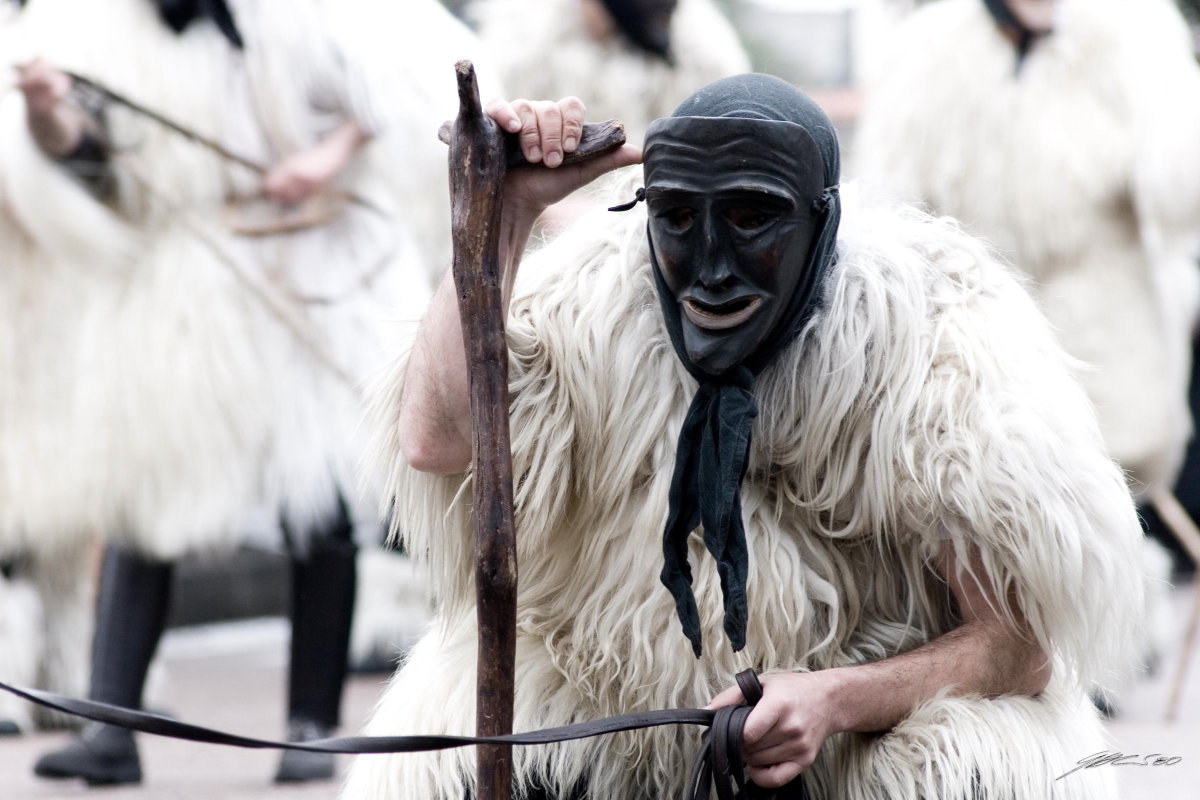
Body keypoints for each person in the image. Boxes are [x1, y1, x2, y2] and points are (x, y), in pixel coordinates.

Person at [341, 74, 1144, 799]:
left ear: (822, 223)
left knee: (982, 773)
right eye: (679, 220)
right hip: (614, 715)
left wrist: (833, 699)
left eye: (753, 218)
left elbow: (1018, 648)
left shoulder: (942, 349)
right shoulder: (588, 308)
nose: (710, 268)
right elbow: (438, 443)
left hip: (858, 745)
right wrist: (501, 220)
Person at [0, 0, 482, 786]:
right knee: (142, 500)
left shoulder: (310, 16)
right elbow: (95, 161)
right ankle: (112, 726)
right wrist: (47, 111)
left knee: (317, 503)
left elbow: (396, 90)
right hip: (185, 287)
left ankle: (311, 725)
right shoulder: (102, 28)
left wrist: (321, 159)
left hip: (316, 272)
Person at [854, 0, 1200, 559]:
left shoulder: (1134, 33)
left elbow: (1180, 195)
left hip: (1107, 375)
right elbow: (892, 220)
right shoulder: (926, 52)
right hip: (971, 374)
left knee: (1107, 564)